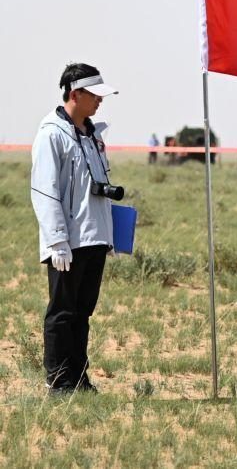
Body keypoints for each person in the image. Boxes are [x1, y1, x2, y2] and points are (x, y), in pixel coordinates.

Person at [30, 63, 120, 395]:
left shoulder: (94, 135)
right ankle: (58, 381)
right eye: (94, 95)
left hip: (95, 237)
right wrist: (56, 240)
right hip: (67, 242)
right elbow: (44, 189)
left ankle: (79, 380)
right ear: (75, 94)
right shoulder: (52, 133)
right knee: (62, 312)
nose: (100, 101)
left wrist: (110, 235)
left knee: (82, 313)